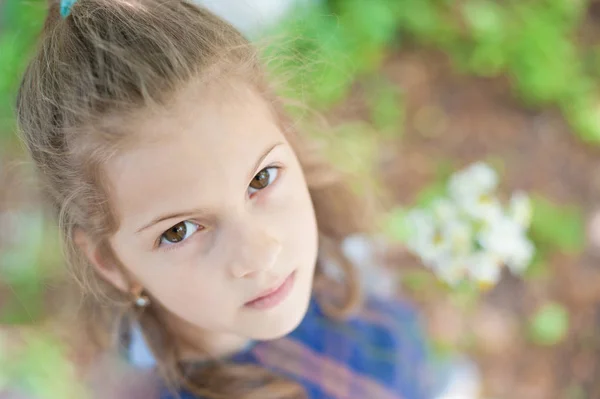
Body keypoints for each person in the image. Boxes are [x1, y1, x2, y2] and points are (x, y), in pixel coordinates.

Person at [15, 0, 435, 398]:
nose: (261, 253)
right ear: (111, 263)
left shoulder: (333, 259)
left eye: (261, 178)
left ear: (286, 135)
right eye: (179, 231)